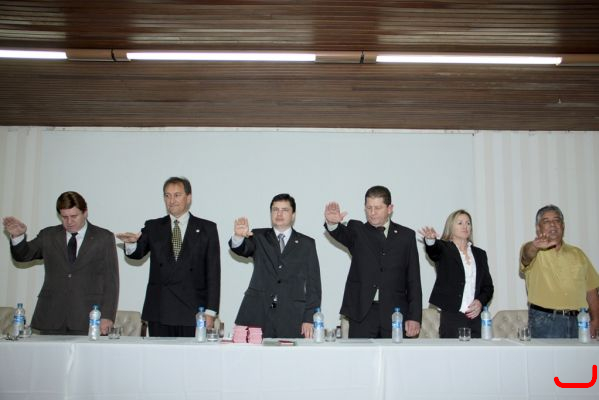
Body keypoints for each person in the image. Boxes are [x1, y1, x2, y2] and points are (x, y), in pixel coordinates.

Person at [2, 191, 119, 335]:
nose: (69, 222)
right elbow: (23, 256)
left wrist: (107, 316)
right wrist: (18, 236)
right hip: (51, 316)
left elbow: (111, 281)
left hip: (87, 318)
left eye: (74, 216)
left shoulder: (103, 237)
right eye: (64, 217)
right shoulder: (48, 235)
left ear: (85, 212)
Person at [116, 177, 221, 337]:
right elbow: (138, 253)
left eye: (177, 195)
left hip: (193, 311)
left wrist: (211, 311)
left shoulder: (207, 228)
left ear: (189, 198)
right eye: (167, 196)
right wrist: (130, 244)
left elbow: (213, 273)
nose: (171, 201)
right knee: (159, 354)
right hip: (160, 309)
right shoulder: (153, 226)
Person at [324, 185, 422, 338]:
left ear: (390, 208)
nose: (372, 212)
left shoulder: (406, 236)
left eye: (378, 208)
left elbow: (413, 280)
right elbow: (341, 233)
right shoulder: (357, 230)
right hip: (363, 314)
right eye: (369, 208)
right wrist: (332, 224)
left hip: (395, 314)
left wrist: (414, 316)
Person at [230, 193, 322, 338]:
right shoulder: (258, 236)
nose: (279, 214)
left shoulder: (307, 243)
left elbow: (313, 284)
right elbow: (243, 249)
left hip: (292, 316)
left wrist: (309, 318)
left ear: (293, 215)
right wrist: (238, 237)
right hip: (258, 313)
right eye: (275, 209)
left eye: (284, 210)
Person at [520, 204, 599, 338]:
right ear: (538, 228)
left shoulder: (578, 254)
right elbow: (527, 254)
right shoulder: (533, 251)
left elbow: (591, 290)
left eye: (556, 220)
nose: (552, 224)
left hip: (580, 321)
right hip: (545, 321)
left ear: (563, 225)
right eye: (546, 221)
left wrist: (596, 320)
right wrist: (535, 245)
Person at [419, 210, 494, 338]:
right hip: (452, 316)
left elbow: (488, 287)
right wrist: (430, 241)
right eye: (460, 223)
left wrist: (480, 302)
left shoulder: (480, 254)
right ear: (451, 227)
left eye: (468, 223)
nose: (465, 226)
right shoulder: (444, 248)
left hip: (476, 317)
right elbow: (433, 251)